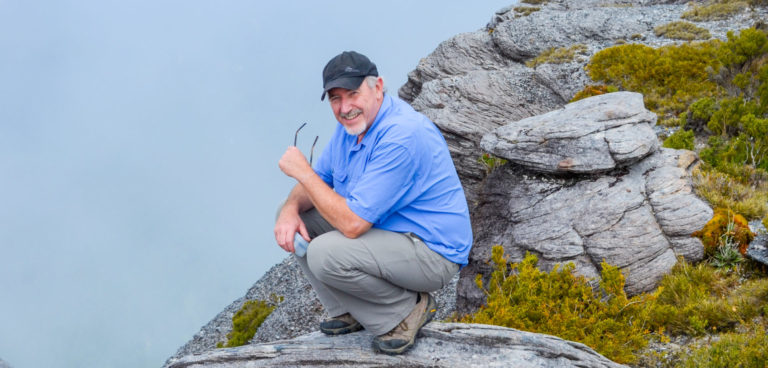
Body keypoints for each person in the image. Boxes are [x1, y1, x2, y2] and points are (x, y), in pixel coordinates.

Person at [275, 50, 472, 355]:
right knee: (299, 218)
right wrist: (289, 209)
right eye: (335, 99)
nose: (345, 108)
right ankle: (352, 308)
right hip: (390, 231)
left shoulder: (401, 136)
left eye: (353, 94)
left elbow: (353, 224)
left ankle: (406, 311)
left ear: (378, 87)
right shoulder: (349, 131)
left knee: (325, 254)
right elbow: (320, 180)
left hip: (431, 249)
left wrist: (302, 172)